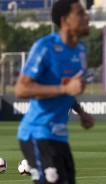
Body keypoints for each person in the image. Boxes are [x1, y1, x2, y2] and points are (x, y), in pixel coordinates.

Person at [14, 0, 94, 183]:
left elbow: (66, 88)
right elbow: (21, 88)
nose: (87, 17)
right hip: (37, 133)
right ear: (65, 20)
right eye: (81, 13)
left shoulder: (81, 50)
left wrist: (81, 112)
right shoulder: (45, 47)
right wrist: (66, 88)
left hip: (59, 137)